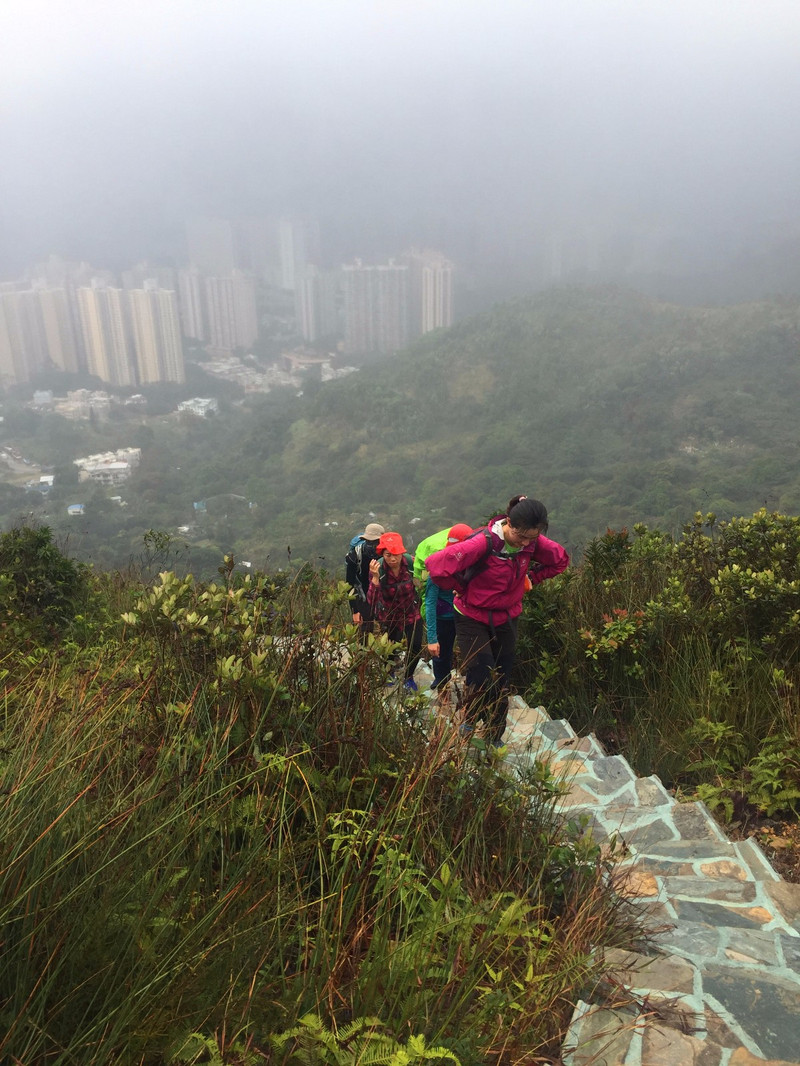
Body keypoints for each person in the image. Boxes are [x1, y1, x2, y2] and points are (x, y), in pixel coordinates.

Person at [425, 497, 569, 751]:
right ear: (508, 522)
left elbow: (560, 560)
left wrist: (531, 577)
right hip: (471, 616)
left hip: (507, 616)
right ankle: (470, 718)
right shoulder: (483, 543)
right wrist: (461, 587)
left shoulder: (530, 543)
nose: (524, 543)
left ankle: (493, 734)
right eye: (520, 536)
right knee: (482, 674)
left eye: (531, 538)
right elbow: (436, 566)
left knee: (501, 678)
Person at [413, 523, 473, 691]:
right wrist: (432, 638)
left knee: (472, 655)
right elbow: (430, 602)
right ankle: (442, 687)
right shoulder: (439, 568)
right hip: (443, 618)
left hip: (466, 617)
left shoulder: (474, 566)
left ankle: (472, 690)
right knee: (441, 654)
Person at [367, 531, 423, 690]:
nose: (393, 558)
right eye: (388, 554)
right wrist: (376, 578)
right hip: (389, 616)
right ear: (382, 554)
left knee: (416, 646)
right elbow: (371, 601)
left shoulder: (411, 563)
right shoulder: (378, 568)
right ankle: (389, 672)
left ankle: (408, 677)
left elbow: (420, 584)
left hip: (412, 613)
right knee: (391, 647)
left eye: (396, 554)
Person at [345, 522, 385, 633]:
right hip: (362, 593)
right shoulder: (355, 555)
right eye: (369, 541)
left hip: (382, 594)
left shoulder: (387, 555)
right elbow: (349, 583)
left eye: (376, 542)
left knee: (387, 629)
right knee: (364, 631)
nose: (372, 545)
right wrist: (355, 610)